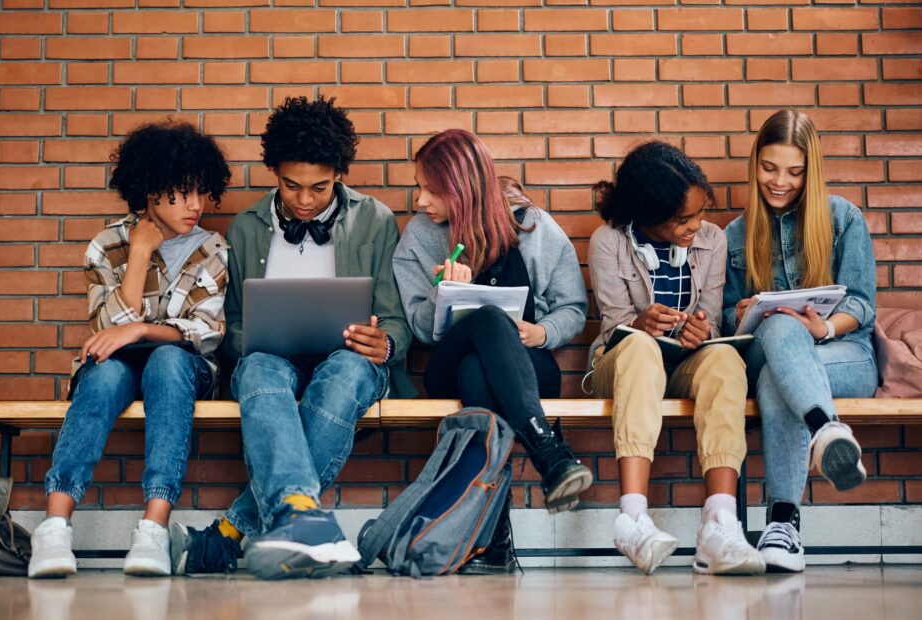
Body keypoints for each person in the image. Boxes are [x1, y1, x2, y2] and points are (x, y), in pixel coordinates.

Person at [170, 97, 413, 580]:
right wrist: (255, 336)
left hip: (349, 360)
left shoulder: (376, 220)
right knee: (257, 367)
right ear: (273, 173)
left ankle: (235, 532)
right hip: (272, 359)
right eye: (290, 185)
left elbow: (396, 321)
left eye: (319, 187)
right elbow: (231, 325)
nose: (304, 200)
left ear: (340, 174)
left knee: (344, 372)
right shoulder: (246, 227)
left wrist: (383, 345)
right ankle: (302, 521)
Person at [27, 121, 232, 578]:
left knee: (167, 360)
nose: (195, 206)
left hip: (182, 366)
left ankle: (154, 528)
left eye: (201, 192)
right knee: (101, 373)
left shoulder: (214, 248)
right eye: (180, 194)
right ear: (149, 190)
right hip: (117, 364)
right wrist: (139, 253)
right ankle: (55, 526)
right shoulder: (108, 245)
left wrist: (139, 329)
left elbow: (204, 333)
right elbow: (105, 334)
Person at [393, 129, 590, 574]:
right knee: (485, 319)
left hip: (526, 364)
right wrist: (441, 293)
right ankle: (550, 453)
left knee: (479, 375)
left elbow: (573, 308)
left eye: (430, 189)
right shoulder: (420, 239)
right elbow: (420, 329)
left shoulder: (531, 225)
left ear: (460, 188)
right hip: (445, 363)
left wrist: (539, 333)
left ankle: (495, 534)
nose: (420, 200)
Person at [587, 141, 764, 575]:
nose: (695, 226)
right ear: (650, 215)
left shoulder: (713, 241)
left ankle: (720, 524)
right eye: (682, 219)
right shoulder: (608, 242)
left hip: (684, 360)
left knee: (725, 362)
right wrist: (642, 323)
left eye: (700, 213)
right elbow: (612, 330)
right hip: (622, 360)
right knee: (641, 348)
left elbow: (712, 319)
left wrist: (703, 328)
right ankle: (632, 517)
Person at [723, 110, 878, 573]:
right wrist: (739, 314)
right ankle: (826, 430)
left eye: (794, 171)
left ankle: (783, 525)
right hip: (766, 351)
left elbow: (863, 305)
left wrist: (825, 328)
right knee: (779, 326)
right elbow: (725, 331)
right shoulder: (735, 234)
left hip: (844, 355)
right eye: (769, 168)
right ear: (755, 164)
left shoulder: (843, 218)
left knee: (778, 379)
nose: (780, 182)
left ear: (810, 170)